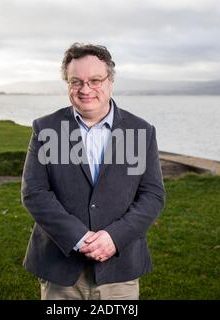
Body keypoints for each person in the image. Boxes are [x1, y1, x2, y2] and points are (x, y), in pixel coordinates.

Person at [21, 43, 166, 300]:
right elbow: (34, 192)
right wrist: (79, 238)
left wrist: (114, 237)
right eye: (76, 81)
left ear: (110, 81)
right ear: (67, 83)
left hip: (120, 272)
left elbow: (152, 195)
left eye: (95, 80)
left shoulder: (141, 131)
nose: (85, 89)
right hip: (60, 270)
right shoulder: (45, 129)